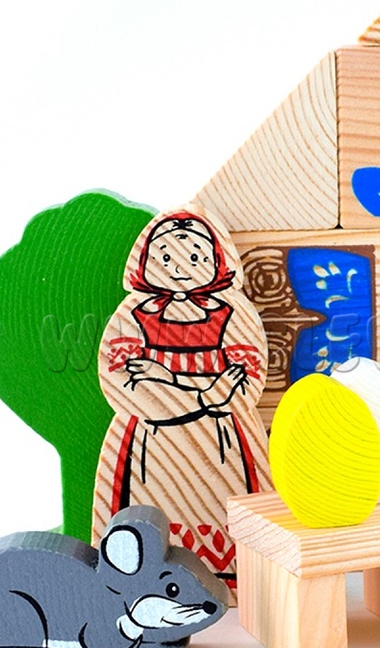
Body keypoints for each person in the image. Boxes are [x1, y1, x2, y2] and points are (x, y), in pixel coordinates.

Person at [92, 210, 271, 595]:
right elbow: (123, 386)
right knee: (150, 506)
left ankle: (231, 577)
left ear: (217, 261)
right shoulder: (132, 316)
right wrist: (207, 393)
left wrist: (165, 378)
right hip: (151, 444)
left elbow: (245, 386)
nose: (179, 268)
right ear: (144, 262)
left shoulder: (234, 315)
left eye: (194, 257)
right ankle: (143, 580)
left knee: (224, 504)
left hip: (220, 444)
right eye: (165, 257)